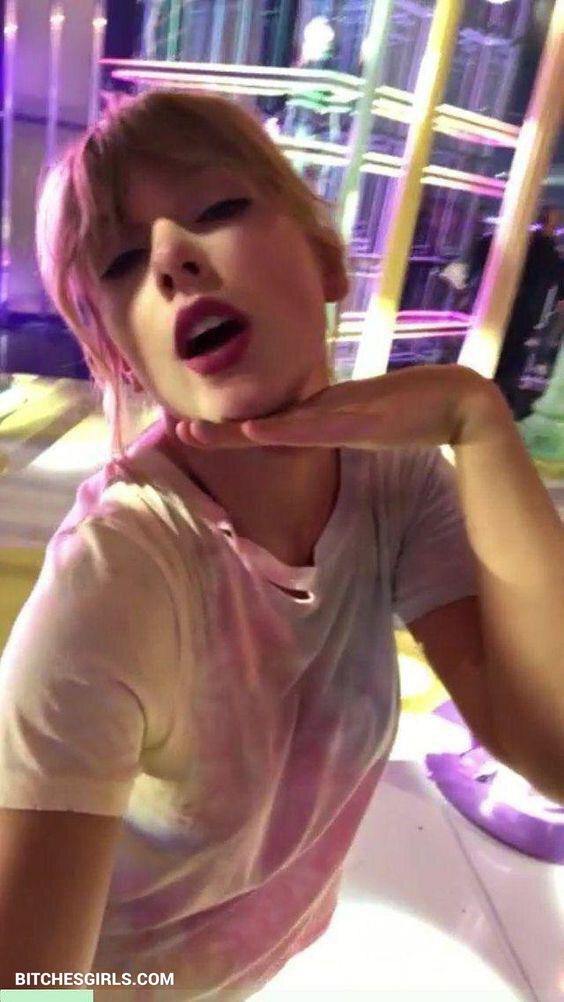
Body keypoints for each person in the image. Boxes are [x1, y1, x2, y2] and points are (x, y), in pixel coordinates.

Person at [0, 90, 563, 999]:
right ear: (121, 355)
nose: (172, 258)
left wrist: (477, 418)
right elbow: (28, 982)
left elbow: (554, 751)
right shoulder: (118, 581)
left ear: (327, 260)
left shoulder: (394, 484)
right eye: (121, 261)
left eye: (217, 207)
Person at [443, 206, 564, 413]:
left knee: (479, 355)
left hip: (485, 310)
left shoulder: (491, 241)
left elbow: (466, 275)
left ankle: (463, 400)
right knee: (508, 362)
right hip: (523, 316)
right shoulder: (548, 253)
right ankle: (493, 406)